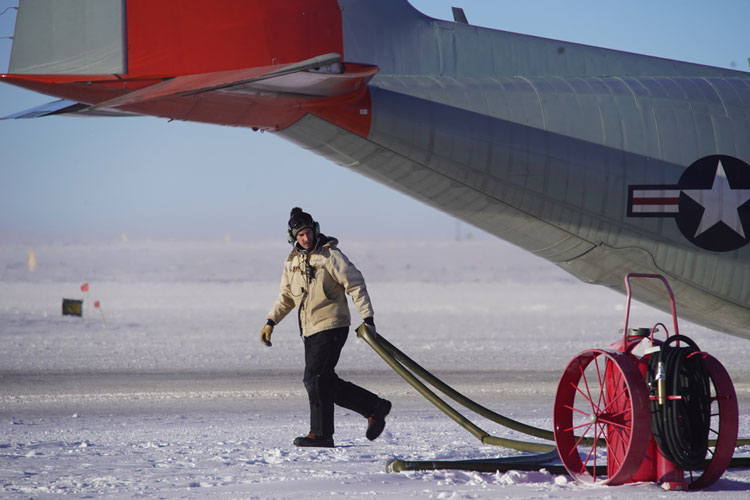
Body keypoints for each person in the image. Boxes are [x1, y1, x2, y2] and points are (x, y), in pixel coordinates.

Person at [260, 207, 391, 448]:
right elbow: (287, 296)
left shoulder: (330, 255)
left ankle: (321, 434)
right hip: (309, 330)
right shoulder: (292, 262)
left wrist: (368, 318)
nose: (306, 238)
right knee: (324, 381)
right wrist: (271, 321)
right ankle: (374, 407)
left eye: (308, 232)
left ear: (315, 230)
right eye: (300, 235)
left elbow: (355, 284)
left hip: (332, 324)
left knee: (314, 378)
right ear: (292, 237)